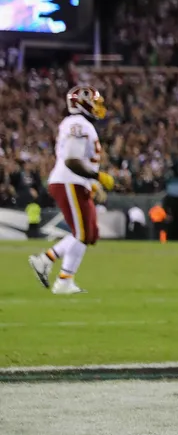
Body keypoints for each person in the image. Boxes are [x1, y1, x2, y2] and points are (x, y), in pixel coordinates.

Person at [28, 86, 116, 295]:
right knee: (83, 233)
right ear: (82, 103)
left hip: (76, 182)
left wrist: (93, 183)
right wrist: (97, 177)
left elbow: (81, 160)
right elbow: (72, 160)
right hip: (69, 181)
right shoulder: (77, 124)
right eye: (95, 102)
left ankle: (49, 263)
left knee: (90, 233)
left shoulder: (82, 124)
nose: (98, 107)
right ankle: (62, 279)